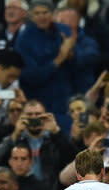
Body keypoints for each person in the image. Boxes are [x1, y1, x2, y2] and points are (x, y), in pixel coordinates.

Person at [0, 100, 78, 190]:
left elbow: (74, 161)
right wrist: (14, 135)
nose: (34, 118)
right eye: (29, 115)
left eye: (38, 114)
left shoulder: (55, 139)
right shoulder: (15, 139)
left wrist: (56, 131)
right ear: (22, 116)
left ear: (45, 116)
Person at [14, 0, 77, 132]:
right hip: (39, 102)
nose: (42, 17)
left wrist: (71, 55)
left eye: (45, 12)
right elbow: (31, 76)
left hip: (64, 97)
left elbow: (78, 62)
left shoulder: (63, 31)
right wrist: (59, 59)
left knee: (65, 138)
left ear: (53, 14)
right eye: (37, 13)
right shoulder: (24, 39)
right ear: (30, 15)